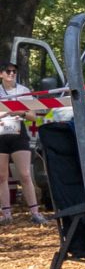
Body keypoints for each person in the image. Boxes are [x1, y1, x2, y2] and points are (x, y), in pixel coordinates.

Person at [0, 63, 47, 224]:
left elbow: (35, 117)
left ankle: (35, 213)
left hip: (19, 134)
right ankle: (6, 215)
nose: (12, 73)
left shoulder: (23, 91)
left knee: (25, 174)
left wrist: (20, 112)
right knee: (2, 176)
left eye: (14, 71)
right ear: (1, 74)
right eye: (8, 71)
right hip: (1, 135)